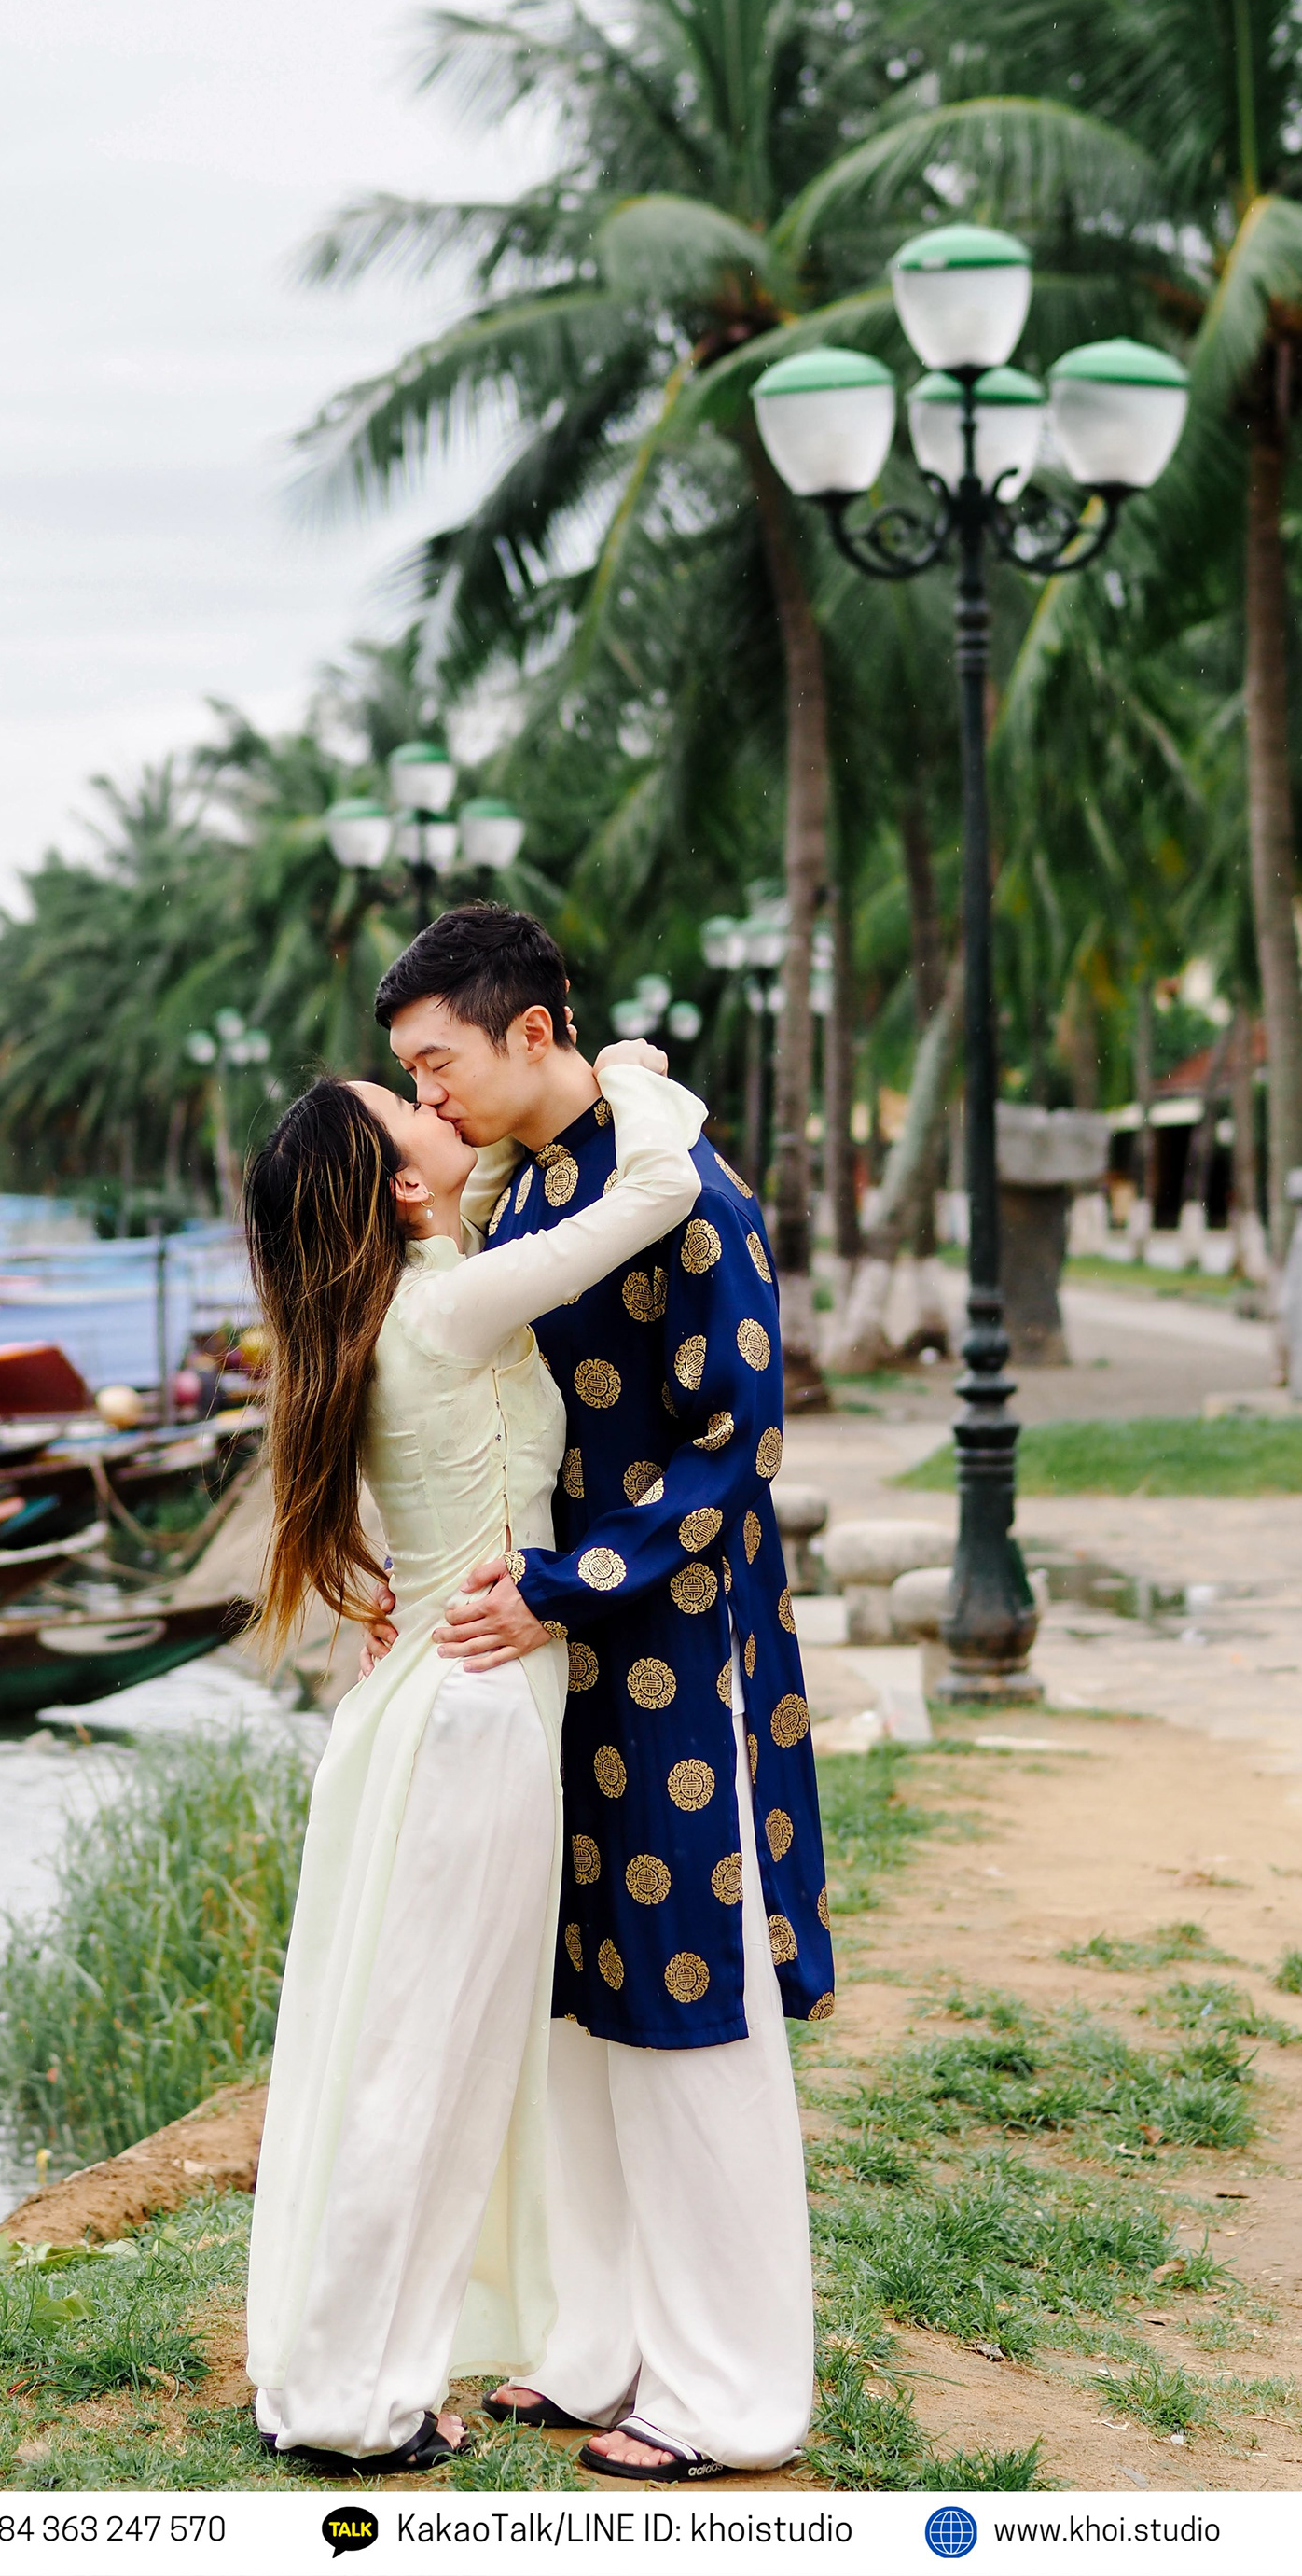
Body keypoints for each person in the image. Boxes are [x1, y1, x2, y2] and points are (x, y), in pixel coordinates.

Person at [368, 903, 831, 2485]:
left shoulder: (690, 1196)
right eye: (411, 1075)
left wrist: (562, 1590)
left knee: (693, 2012)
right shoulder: (538, 1186)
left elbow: (736, 1454)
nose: (429, 1101)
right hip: (559, 1645)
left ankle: (733, 2399)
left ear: (532, 1033)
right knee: (582, 2007)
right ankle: (601, 2349)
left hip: (676, 1646)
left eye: (439, 1065)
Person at [241, 1037, 707, 2475]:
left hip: (429, 1711)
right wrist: (631, 1069)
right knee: (423, 2065)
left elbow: (494, 1180)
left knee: (389, 2052)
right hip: (475, 1717)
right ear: (391, 1185)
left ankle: (346, 2369)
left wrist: (480, 1149)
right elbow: (653, 1191)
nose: (441, 1106)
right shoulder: (448, 1310)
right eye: (410, 1105)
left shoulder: (407, 1301)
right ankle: (356, 2401)